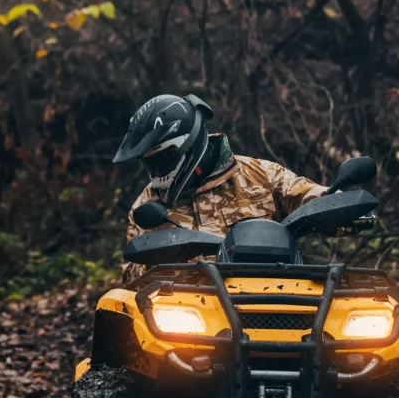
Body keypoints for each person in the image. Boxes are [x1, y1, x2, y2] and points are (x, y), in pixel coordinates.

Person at [113, 94, 328, 283]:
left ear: (188, 146)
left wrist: (348, 207)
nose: (156, 169)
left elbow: (314, 198)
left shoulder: (263, 177)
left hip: (272, 301)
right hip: (186, 319)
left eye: (162, 159)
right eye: (150, 163)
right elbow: (135, 283)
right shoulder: (146, 206)